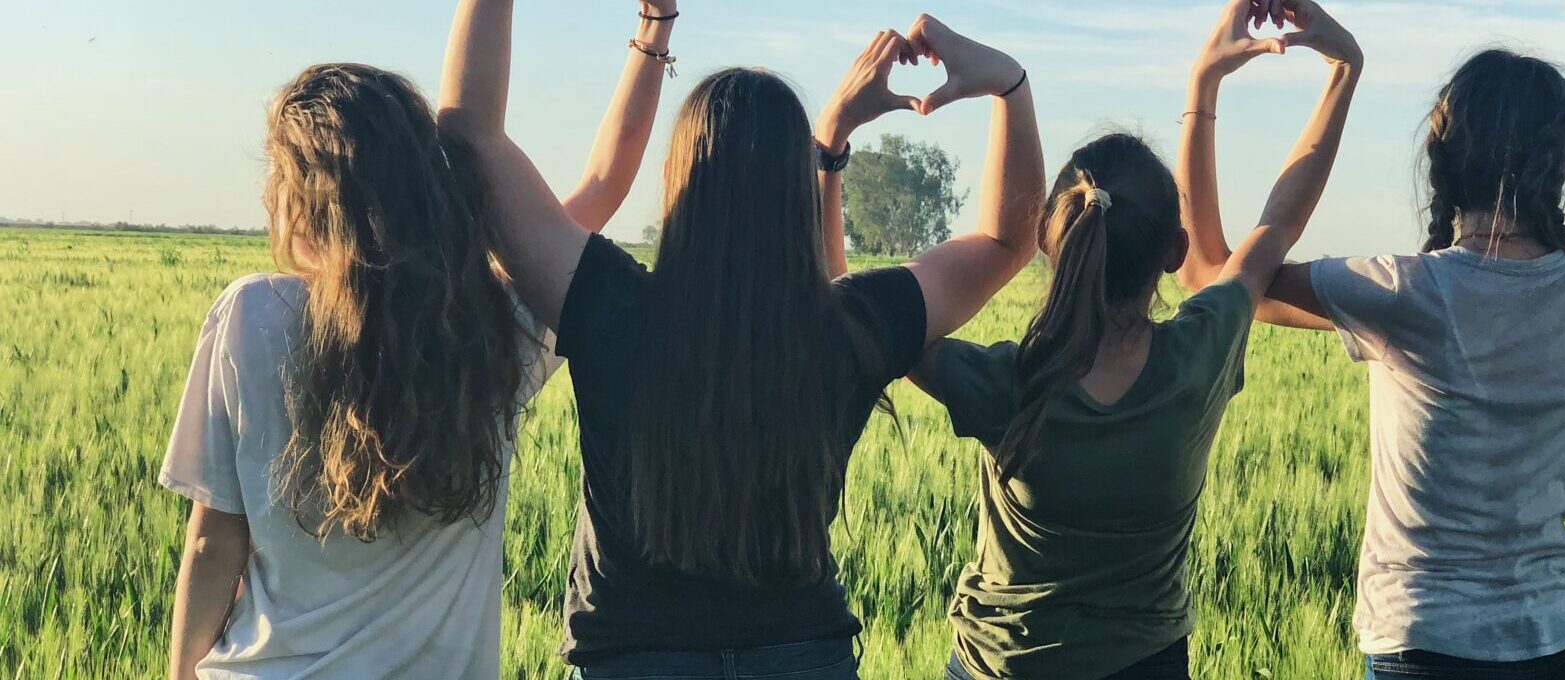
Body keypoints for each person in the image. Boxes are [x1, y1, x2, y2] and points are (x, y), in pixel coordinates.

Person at [436, 1, 1045, 677]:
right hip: (803, 657)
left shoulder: (610, 306)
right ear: (794, 191)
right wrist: (1007, 86)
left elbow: (469, 138)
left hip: (636, 660)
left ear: (679, 180)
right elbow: (1004, 239)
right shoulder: (853, 325)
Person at [159, 4, 672, 676]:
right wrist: (656, 23)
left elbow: (210, 546)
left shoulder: (247, 316)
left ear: (302, 196)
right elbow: (603, 185)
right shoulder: (491, 328)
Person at [1177, 11, 1565, 679]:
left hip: (1420, 649)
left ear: (1441, 158)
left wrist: (1207, 86)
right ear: (1563, 166)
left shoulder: (1402, 291)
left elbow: (1207, 275)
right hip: (1557, 646)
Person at [915, 2, 1360, 678]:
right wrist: (1336, 71)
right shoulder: (1198, 357)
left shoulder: (1008, 382)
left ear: (1048, 244)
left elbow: (865, 319)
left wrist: (831, 154)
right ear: (1174, 250)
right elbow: (1278, 223)